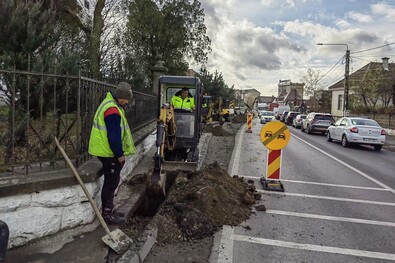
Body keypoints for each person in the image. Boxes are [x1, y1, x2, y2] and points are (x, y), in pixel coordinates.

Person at [88, 82, 136, 225]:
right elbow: (113, 136)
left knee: (112, 181)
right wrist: (119, 154)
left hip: (106, 150)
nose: (127, 102)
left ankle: (110, 209)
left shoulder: (111, 104)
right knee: (111, 182)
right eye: (126, 99)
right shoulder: (112, 110)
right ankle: (107, 214)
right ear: (120, 96)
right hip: (108, 152)